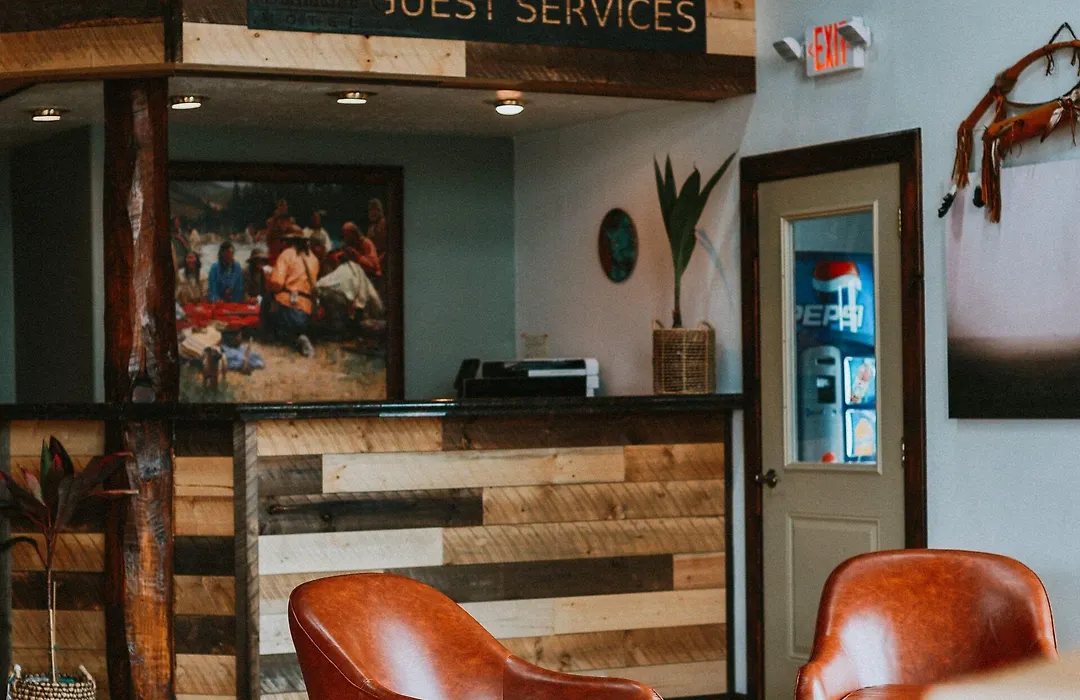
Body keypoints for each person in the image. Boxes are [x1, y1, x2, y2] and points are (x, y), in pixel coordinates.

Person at [267, 227, 320, 357]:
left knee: (269, 297)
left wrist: (268, 280)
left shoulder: (287, 254)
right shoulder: (314, 258)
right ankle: (299, 335)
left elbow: (277, 283)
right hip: (308, 312)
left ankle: (273, 336)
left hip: (291, 308)